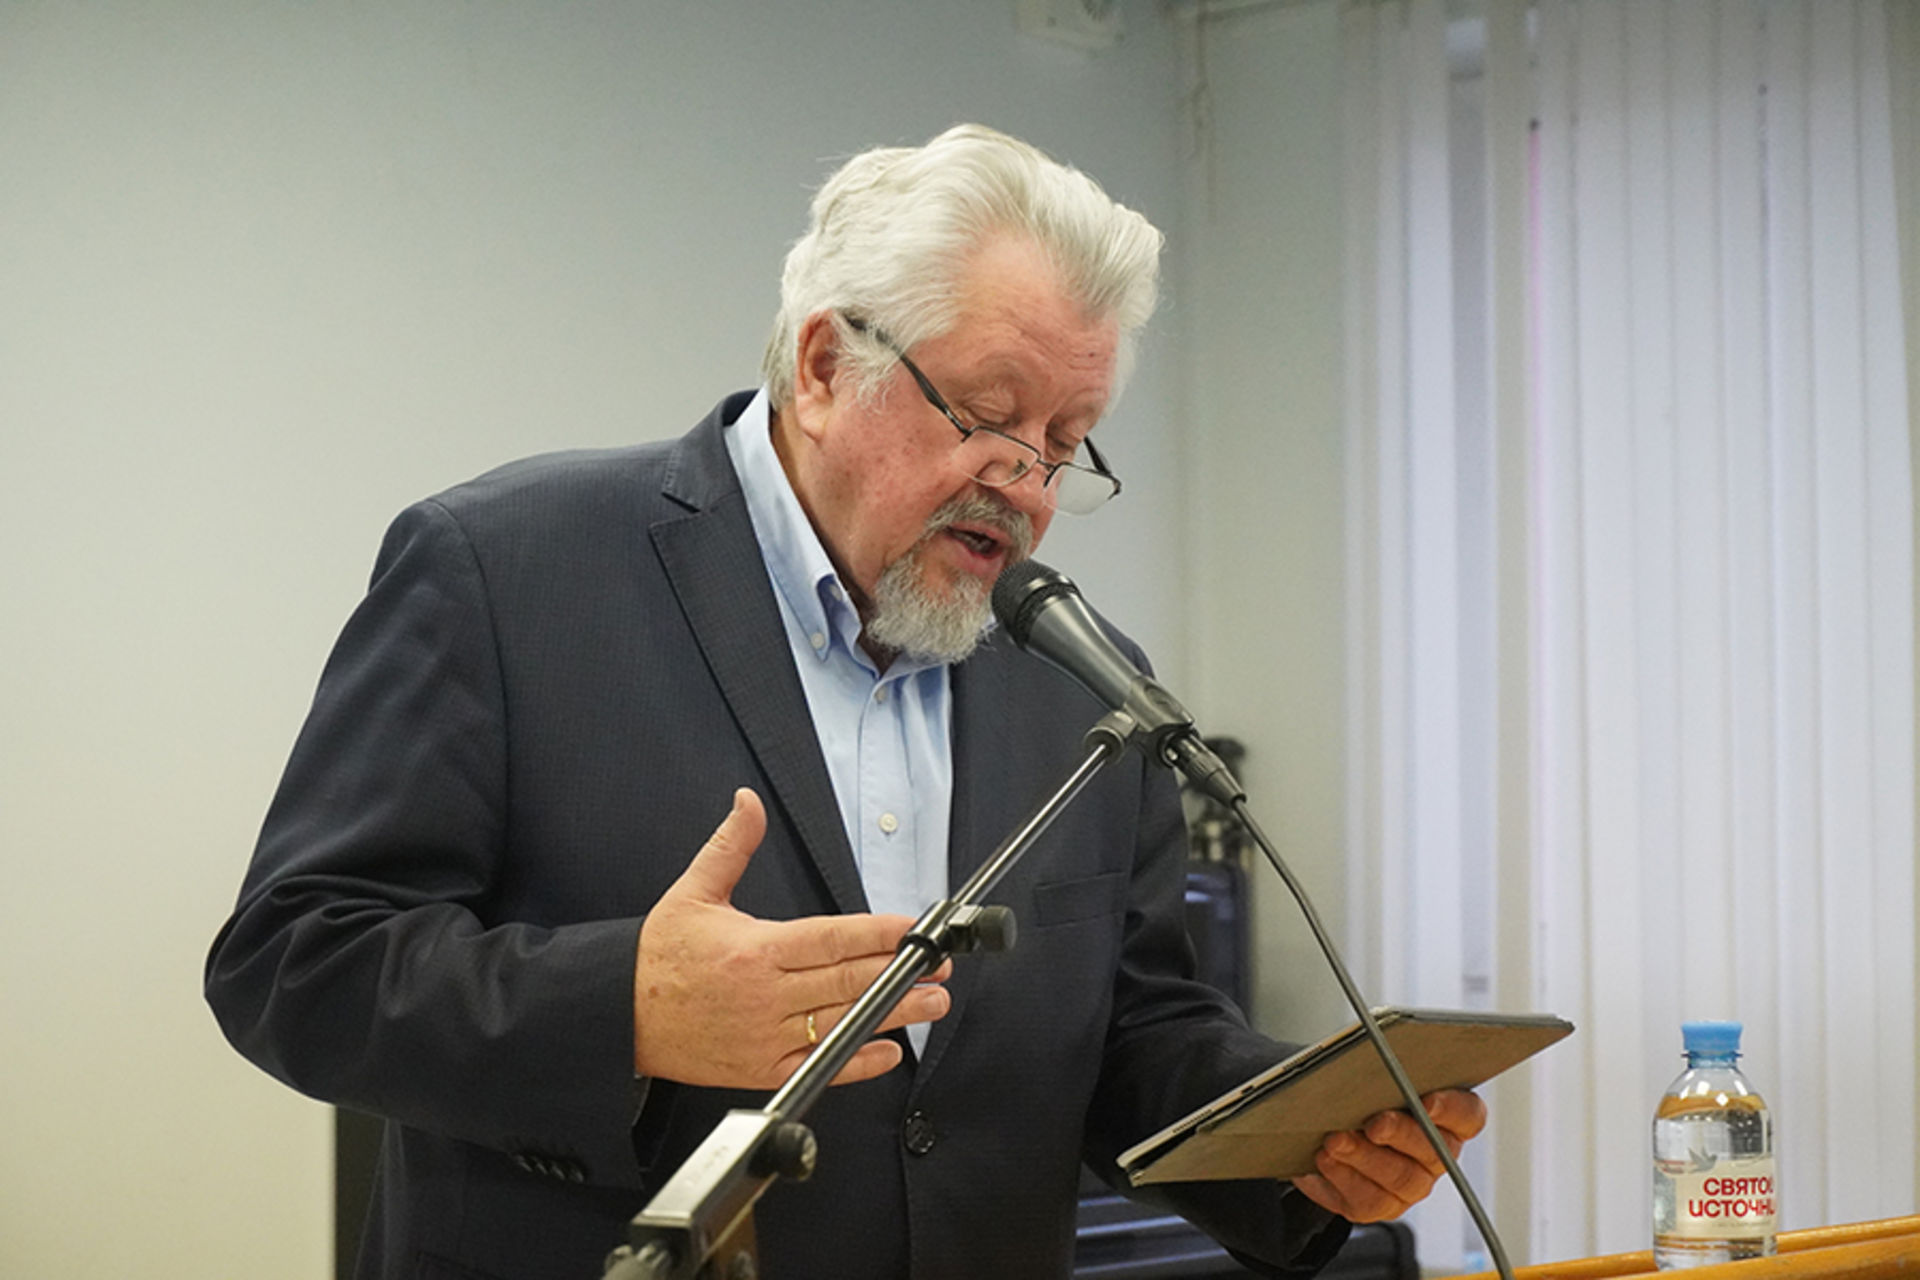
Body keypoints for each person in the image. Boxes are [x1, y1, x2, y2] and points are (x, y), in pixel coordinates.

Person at [206, 123, 1484, 1280]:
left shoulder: (1082, 679)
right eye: (990, 416)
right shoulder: (507, 570)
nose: (1027, 485)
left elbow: (1132, 1029)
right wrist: (627, 1005)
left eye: (1064, 440)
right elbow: (294, 958)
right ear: (824, 366)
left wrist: (1298, 1137)